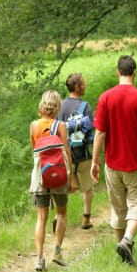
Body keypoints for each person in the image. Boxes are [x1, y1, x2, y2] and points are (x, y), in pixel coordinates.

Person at [91, 55, 137, 265]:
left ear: (117, 72)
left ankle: (123, 248)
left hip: (112, 164)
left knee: (118, 208)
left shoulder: (106, 98)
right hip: (136, 164)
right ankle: (127, 240)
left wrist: (95, 161)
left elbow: (100, 133)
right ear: (135, 72)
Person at [29, 90, 76, 271]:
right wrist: (71, 178)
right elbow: (66, 153)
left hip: (40, 176)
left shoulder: (34, 126)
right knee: (61, 214)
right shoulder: (61, 126)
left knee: (41, 218)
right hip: (59, 176)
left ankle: (40, 258)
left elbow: (34, 150)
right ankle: (57, 252)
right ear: (57, 106)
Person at [57, 73, 95, 230]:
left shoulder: (60, 105)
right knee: (87, 186)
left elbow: (57, 129)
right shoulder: (85, 106)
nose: (85, 86)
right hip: (83, 153)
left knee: (65, 186)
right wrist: (96, 157)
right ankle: (86, 219)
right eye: (83, 84)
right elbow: (91, 131)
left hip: (66, 152)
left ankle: (59, 218)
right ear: (78, 87)